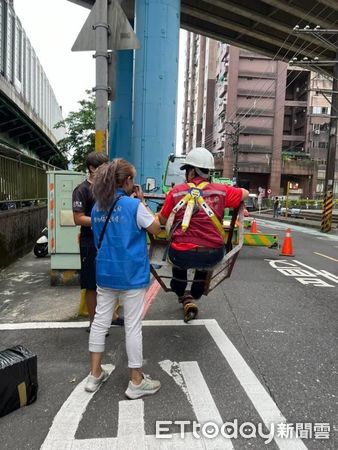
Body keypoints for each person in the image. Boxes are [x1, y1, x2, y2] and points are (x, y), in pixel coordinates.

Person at [85, 158, 162, 399]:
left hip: (105, 272)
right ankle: (136, 381)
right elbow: (156, 228)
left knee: (99, 322)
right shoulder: (133, 206)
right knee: (132, 326)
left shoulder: (97, 207)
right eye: (132, 180)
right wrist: (142, 202)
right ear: (127, 181)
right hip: (131, 274)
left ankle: (95, 374)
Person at [158, 147, 248, 322]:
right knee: (204, 262)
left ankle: (180, 288)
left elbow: (162, 220)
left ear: (191, 171)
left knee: (176, 255)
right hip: (213, 254)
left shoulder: (176, 192)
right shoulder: (222, 191)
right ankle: (196, 291)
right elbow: (244, 193)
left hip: (181, 254)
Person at [72, 152, 123, 332]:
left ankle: (113, 315)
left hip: (108, 241)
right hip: (89, 242)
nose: (106, 171)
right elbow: (78, 218)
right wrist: (99, 220)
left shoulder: (109, 189)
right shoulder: (82, 190)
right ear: (92, 168)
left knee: (109, 280)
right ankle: (95, 322)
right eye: (102, 167)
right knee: (91, 284)